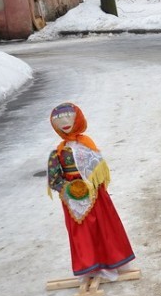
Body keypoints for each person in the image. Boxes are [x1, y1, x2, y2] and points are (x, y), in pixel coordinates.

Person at [47, 102, 135, 282]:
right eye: (58, 119)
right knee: (82, 233)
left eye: (69, 117)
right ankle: (90, 265)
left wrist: (93, 185)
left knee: (104, 227)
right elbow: (54, 179)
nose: (64, 122)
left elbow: (99, 172)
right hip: (72, 197)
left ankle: (111, 260)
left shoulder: (88, 146)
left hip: (95, 195)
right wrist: (67, 189)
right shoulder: (57, 153)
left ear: (78, 119)